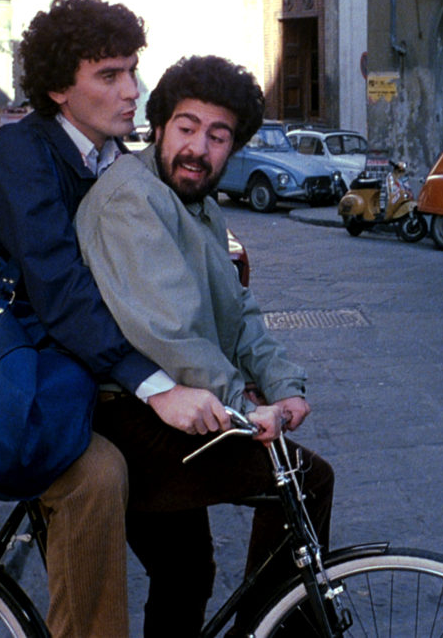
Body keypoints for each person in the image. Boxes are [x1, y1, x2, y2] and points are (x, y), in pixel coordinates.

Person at [76, 54, 335, 636]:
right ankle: (267, 629)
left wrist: (283, 384)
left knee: (186, 571)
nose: (199, 148)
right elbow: (170, 331)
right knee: (304, 480)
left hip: (171, 412)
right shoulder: (131, 198)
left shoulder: (202, 208)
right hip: (126, 417)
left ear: (233, 147)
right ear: (160, 125)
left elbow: (236, 314)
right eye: (187, 128)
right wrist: (246, 408)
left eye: (218, 137)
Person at [0, 0, 173, 637]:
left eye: (132, 71)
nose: (131, 90)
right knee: (95, 480)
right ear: (59, 88)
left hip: (73, 372)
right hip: (8, 381)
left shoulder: (114, 162)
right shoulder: (16, 159)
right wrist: (154, 383)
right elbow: (60, 287)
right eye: (108, 76)